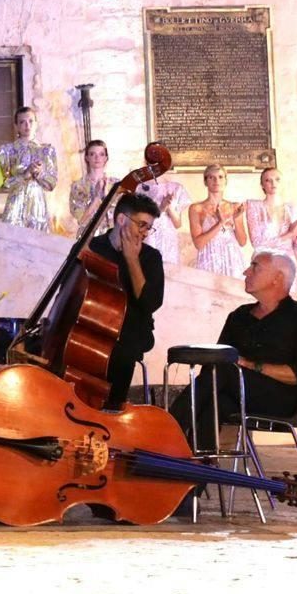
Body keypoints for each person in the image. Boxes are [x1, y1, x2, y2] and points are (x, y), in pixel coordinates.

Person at [167, 250, 297, 454]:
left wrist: (252, 366)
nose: (245, 272)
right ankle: (195, 472)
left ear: (277, 278)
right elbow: (216, 360)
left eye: (255, 266)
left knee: (223, 371)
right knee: (214, 402)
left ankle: (164, 432)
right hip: (235, 392)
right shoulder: (239, 315)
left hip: (279, 399)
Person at [89, 193, 167, 409]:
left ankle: (113, 409)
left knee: (122, 346)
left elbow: (150, 303)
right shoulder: (92, 248)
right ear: (121, 220)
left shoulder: (151, 257)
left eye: (148, 227)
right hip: (91, 327)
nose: (144, 232)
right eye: (141, 224)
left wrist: (132, 259)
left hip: (132, 331)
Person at [0, 107, 58, 231]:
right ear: (16, 126)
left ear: (36, 123)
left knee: (38, 244)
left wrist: (40, 174)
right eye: (22, 122)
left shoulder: (46, 150)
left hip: (37, 205)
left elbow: (52, 184)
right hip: (15, 205)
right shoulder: (7, 150)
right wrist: (24, 175)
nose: (27, 125)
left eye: (31, 121)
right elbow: (3, 185)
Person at [188, 162, 249, 278]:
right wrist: (220, 223)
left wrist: (236, 219)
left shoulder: (234, 206)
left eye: (220, 177)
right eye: (211, 177)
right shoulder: (196, 209)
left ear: (226, 181)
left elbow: (242, 242)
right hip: (209, 258)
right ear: (205, 182)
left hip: (232, 259)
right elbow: (199, 244)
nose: (216, 181)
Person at [243, 166, 297, 272]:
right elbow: (257, 243)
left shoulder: (293, 209)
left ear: (283, 183)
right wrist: (288, 235)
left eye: (277, 179)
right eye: (268, 180)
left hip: (288, 264)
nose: (273, 184)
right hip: (264, 262)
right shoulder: (254, 207)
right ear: (262, 185)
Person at [137, 164, 190, 268]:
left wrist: (169, 206)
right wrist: (161, 208)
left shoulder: (176, 187)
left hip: (168, 237)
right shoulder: (141, 187)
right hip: (150, 235)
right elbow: (141, 222)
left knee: (169, 270)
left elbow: (177, 224)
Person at [67, 140, 116, 232]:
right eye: (92, 154)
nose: (97, 157)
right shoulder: (78, 186)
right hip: (87, 237)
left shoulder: (115, 184)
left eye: (101, 154)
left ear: (106, 158)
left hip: (110, 237)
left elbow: (119, 217)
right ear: (87, 157)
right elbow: (81, 219)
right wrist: (97, 198)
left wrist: (106, 196)